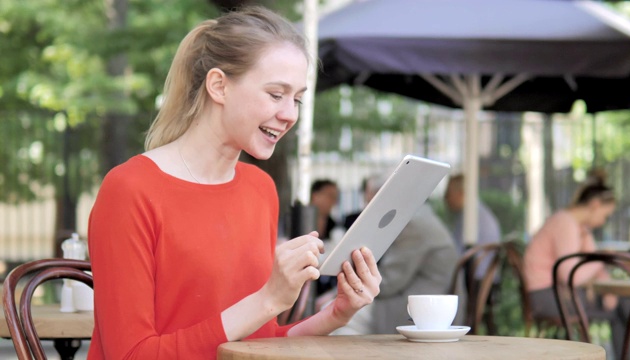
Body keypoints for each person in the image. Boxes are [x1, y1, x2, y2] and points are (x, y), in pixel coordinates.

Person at [86, 7, 381, 359]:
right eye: (276, 94)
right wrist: (268, 298)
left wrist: (336, 313)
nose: (290, 114)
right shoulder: (130, 190)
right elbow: (131, 354)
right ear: (219, 86)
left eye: (297, 98)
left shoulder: (260, 189)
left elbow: (257, 339)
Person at [332, 172, 466, 335]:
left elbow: (388, 282)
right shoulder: (420, 213)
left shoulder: (412, 222)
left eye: (370, 202)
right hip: (431, 303)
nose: (367, 210)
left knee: (339, 314)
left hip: (423, 310)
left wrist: (344, 291)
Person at [523, 175, 630, 360]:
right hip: (546, 297)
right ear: (595, 205)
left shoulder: (576, 226)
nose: (603, 221)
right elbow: (571, 276)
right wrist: (602, 259)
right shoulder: (565, 223)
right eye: (605, 216)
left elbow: (589, 264)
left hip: (558, 293)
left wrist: (603, 281)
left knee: (622, 305)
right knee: (625, 305)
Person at [444, 174, 502, 255]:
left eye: (448, 194)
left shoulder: (470, 217)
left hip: (476, 266)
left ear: (461, 193)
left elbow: (455, 254)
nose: (445, 199)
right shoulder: (476, 211)